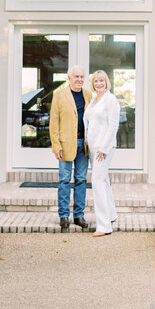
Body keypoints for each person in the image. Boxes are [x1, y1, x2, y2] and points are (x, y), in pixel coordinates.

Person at [49, 65, 91, 231]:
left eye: (82, 77)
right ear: (69, 77)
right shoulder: (59, 95)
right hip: (66, 144)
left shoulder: (88, 95)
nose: (79, 79)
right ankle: (64, 216)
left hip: (84, 144)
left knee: (81, 180)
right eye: (76, 77)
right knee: (64, 180)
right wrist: (56, 145)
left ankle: (79, 215)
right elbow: (54, 122)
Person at [84, 69, 120, 237]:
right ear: (93, 83)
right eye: (96, 81)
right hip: (92, 147)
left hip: (103, 148)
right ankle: (111, 215)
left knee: (97, 181)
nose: (99, 83)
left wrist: (104, 148)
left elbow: (113, 126)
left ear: (107, 82)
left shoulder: (110, 100)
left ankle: (104, 226)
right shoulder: (93, 100)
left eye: (102, 81)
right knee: (103, 180)